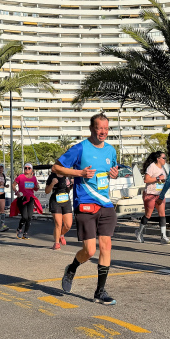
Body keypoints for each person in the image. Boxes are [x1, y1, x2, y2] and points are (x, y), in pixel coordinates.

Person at [55, 113, 120, 306]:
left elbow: (111, 172)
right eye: (100, 128)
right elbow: (56, 168)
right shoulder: (80, 148)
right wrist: (79, 173)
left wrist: (114, 174)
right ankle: (72, 268)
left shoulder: (111, 151)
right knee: (90, 251)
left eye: (106, 128)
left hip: (106, 204)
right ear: (92, 128)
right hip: (85, 204)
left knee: (106, 247)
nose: (103, 132)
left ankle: (100, 292)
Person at [137, 151, 169, 243]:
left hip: (159, 194)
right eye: (164, 158)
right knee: (148, 215)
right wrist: (158, 178)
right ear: (158, 159)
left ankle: (163, 236)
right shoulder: (152, 167)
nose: (165, 160)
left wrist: (163, 181)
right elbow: (146, 179)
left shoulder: (163, 168)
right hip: (150, 194)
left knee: (162, 214)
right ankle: (139, 232)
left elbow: (161, 180)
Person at [11, 163, 41, 239]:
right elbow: (13, 185)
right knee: (24, 217)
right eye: (25, 168)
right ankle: (19, 229)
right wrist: (16, 192)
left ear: (31, 170)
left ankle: (25, 233)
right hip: (22, 198)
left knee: (29, 217)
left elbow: (35, 189)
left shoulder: (34, 178)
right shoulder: (20, 177)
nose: (27, 169)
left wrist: (37, 187)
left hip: (30, 199)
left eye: (29, 168)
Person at [45, 168, 72, 249]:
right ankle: (56, 243)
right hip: (55, 201)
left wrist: (72, 184)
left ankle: (61, 234)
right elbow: (47, 191)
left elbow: (68, 188)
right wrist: (52, 183)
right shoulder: (52, 176)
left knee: (68, 225)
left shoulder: (68, 175)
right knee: (58, 223)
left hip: (66, 200)